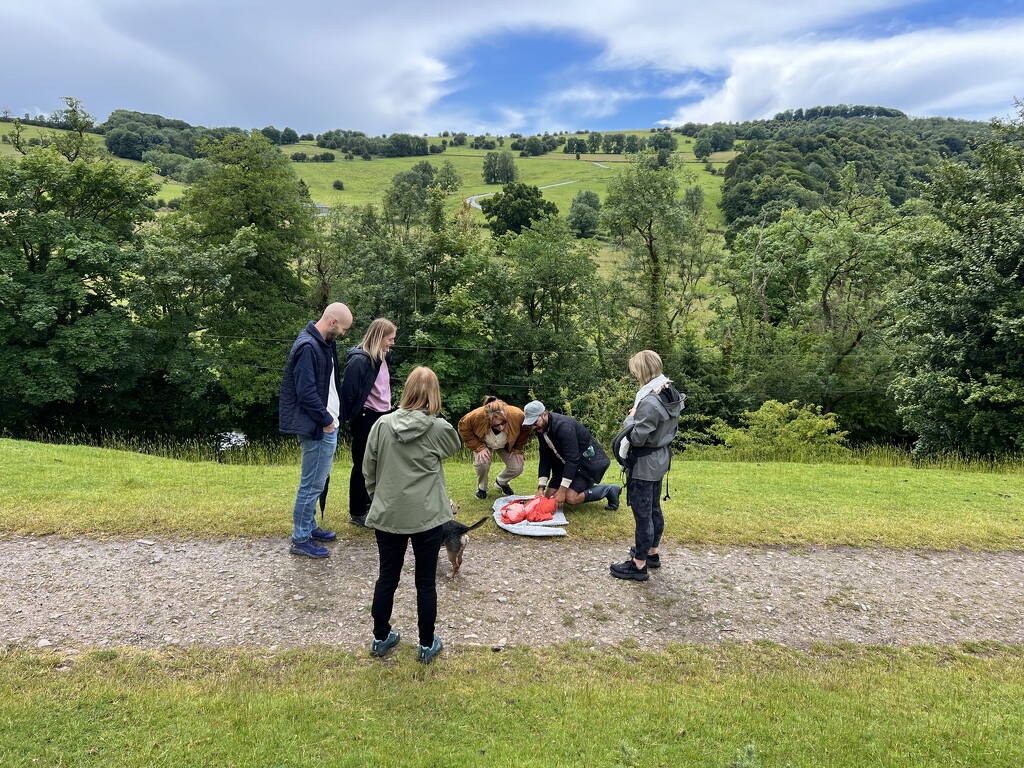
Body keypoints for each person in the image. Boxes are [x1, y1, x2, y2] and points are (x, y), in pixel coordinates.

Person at [363, 366, 462, 664]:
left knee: (387, 578)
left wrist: (379, 498)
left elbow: (368, 469)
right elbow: (453, 447)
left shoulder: (382, 424)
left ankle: (380, 637)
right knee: (425, 582)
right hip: (428, 517)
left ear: (405, 390)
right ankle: (426, 644)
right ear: (434, 395)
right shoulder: (439, 428)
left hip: (389, 514)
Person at [279, 302, 353, 558]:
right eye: (343, 328)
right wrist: (326, 420)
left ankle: (309, 527)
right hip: (317, 427)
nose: (343, 334)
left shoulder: (324, 343)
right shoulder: (308, 347)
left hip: (327, 424)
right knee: (310, 485)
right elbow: (306, 392)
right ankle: (300, 539)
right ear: (333, 322)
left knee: (317, 482)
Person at [609, 350, 686, 582]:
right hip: (661, 457)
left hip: (644, 463)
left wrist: (631, 417)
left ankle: (639, 565)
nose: (634, 375)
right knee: (653, 508)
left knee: (642, 513)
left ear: (642, 371)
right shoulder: (668, 392)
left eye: (635, 371)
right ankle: (652, 553)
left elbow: (637, 437)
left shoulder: (649, 401)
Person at [340, 318, 397, 527]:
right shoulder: (359, 361)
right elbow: (348, 394)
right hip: (365, 417)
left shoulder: (382, 357)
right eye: (390, 339)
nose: (392, 343)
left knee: (378, 464)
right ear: (379, 336)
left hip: (383, 415)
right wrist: (345, 419)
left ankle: (370, 504)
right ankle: (357, 512)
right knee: (362, 465)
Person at [521, 400, 621, 510]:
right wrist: (541, 488)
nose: (533, 427)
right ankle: (573, 487)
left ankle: (609, 490)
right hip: (566, 464)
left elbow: (572, 459)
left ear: (544, 415)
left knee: (570, 497)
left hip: (587, 464)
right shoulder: (541, 428)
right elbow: (545, 458)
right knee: (547, 497)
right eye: (531, 424)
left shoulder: (564, 427)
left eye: (535, 422)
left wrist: (562, 490)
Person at [458, 396, 530, 500]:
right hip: (484, 442)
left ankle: (501, 482)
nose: (501, 427)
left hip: (505, 443)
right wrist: (479, 447)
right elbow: (463, 428)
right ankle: (482, 488)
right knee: (482, 462)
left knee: (517, 467)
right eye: (496, 425)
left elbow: (525, 430)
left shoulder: (517, 415)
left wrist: (517, 448)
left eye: (504, 423)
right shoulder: (476, 416)